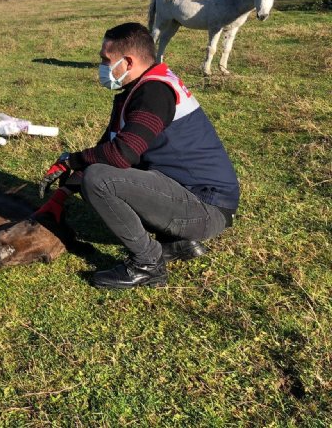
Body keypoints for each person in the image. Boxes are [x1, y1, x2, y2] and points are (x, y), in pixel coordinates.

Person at [37, 22, 239, 289]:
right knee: (98, 173)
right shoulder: (140, 88)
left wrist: (72, 160)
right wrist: (62, 195)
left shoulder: (154, 93)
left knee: (99, 180)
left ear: (128, 61)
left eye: (105, 60)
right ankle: (176, 243)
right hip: (194, 199)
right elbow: (107, 148)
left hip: (205, 206)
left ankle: (147, 264)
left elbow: (121, 155)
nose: (101, 66)